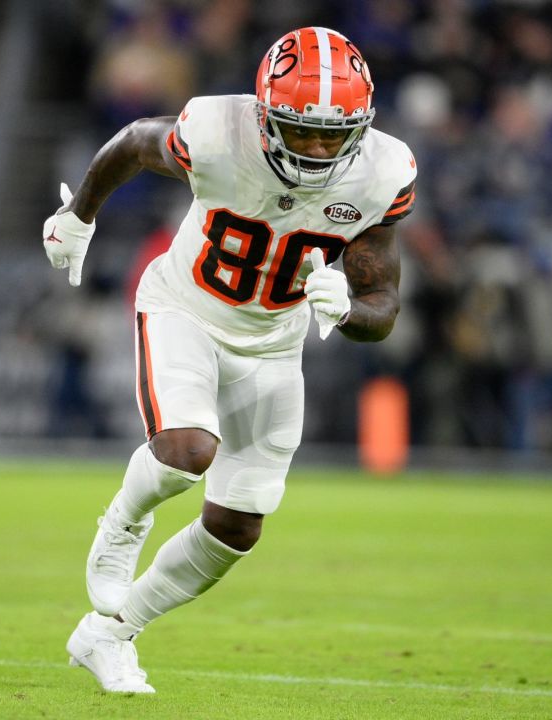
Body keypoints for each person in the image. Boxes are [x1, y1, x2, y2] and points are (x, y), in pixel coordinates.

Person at [41, 27, 416, 694]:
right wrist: (78, 216)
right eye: (303, 131)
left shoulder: (382, 174)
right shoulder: (218, 131)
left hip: (273, 345)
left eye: (335, 133)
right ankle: (124, 523)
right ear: (266, 114)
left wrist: (345, 310)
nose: (321, 146)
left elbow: (382, 305)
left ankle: (111, 633)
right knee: (188, 451)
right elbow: (132, 144)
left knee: (238, 526)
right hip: (187, 310)